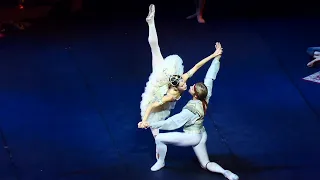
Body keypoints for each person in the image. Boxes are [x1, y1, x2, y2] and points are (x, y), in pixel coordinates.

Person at [139, 43, 239, 180]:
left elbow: (172, 123)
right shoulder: (206, 96)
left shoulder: (190, 110)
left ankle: (161, 162)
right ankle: (225, 172)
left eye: (193, 88)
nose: (190, 86)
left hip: (192, 137)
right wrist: (216, 58)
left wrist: (151, 124)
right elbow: (210, 77)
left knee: (160, 138)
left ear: (196, 95)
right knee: (206, 163)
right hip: (201, 133)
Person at [139, 4, 222, 147]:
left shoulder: (181, 79)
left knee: (155, 49)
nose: (186, 84)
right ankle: (151, 23)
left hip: (166, 74)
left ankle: (151, 23)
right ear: (176, 87)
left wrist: (213, 55)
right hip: (158, 85)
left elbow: (197, 66)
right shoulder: (170, 95)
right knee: (155, 130)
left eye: (184, 83)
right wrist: (143, 120)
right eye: (184, 85)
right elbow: (152, 105)